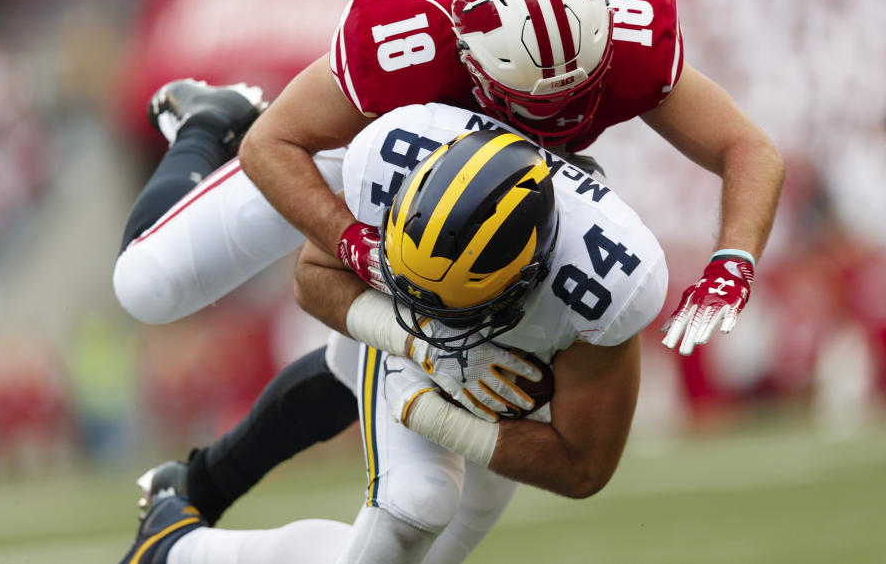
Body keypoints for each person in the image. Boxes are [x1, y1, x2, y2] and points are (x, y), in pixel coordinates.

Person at [112, 0, 782, 556]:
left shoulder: (630, 32)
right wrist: (356, 246)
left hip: (491, 211)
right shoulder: (402, 36)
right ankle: (206, 120)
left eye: (584, 88)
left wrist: (733, 260)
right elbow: (273, 146)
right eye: (533, 104)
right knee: (147, 284)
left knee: (401, 496)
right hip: (376, 165)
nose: (562, 117)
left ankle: (188, 505)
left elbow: (747, 147)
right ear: (465, 49)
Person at [117, 102, 668, 564]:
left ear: (531, 276)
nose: (437, 314)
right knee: (416, 503)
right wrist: (419, 342)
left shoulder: (605, 280)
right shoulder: (393, 158)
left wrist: (444, 420)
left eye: (458, 305)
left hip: (502, 370)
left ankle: (174, 535)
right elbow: (312, 279)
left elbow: (584, 466)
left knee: (422, 553)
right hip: (398, 316)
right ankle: (179, 544)